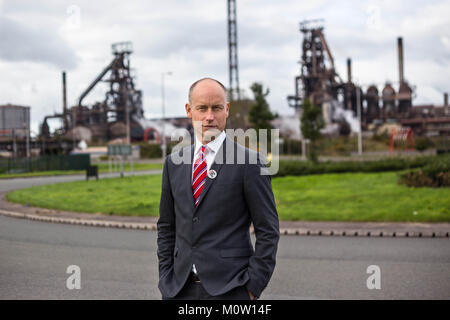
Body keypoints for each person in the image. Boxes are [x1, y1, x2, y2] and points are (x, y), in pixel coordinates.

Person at [157, 77, 279, 300]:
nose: (209, 116)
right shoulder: (173, 163)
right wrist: (165, 278)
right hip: (178, 289)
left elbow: (268, 230)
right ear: (189, 110)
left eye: (217, 108)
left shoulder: (249, 162)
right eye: (202, 108)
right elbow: (166, 226)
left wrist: (252, 288)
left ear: (227, 110)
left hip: (231, 290)